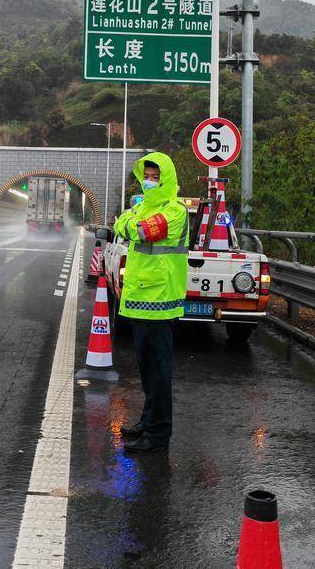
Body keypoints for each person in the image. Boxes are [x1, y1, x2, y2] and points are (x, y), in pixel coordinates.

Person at [113, 152, 189, 453]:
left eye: (155, 176)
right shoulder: (144, 205)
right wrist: (128, 220)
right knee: (146, 369)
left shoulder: (175, 210)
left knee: (159, 372)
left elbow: (138, 230)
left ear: (166, 178)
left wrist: (129, 220)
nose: (149, 181)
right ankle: (147, 422)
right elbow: (122, 224)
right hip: (139, 299)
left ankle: (158, 436)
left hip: (160, 301)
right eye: (146, 176)